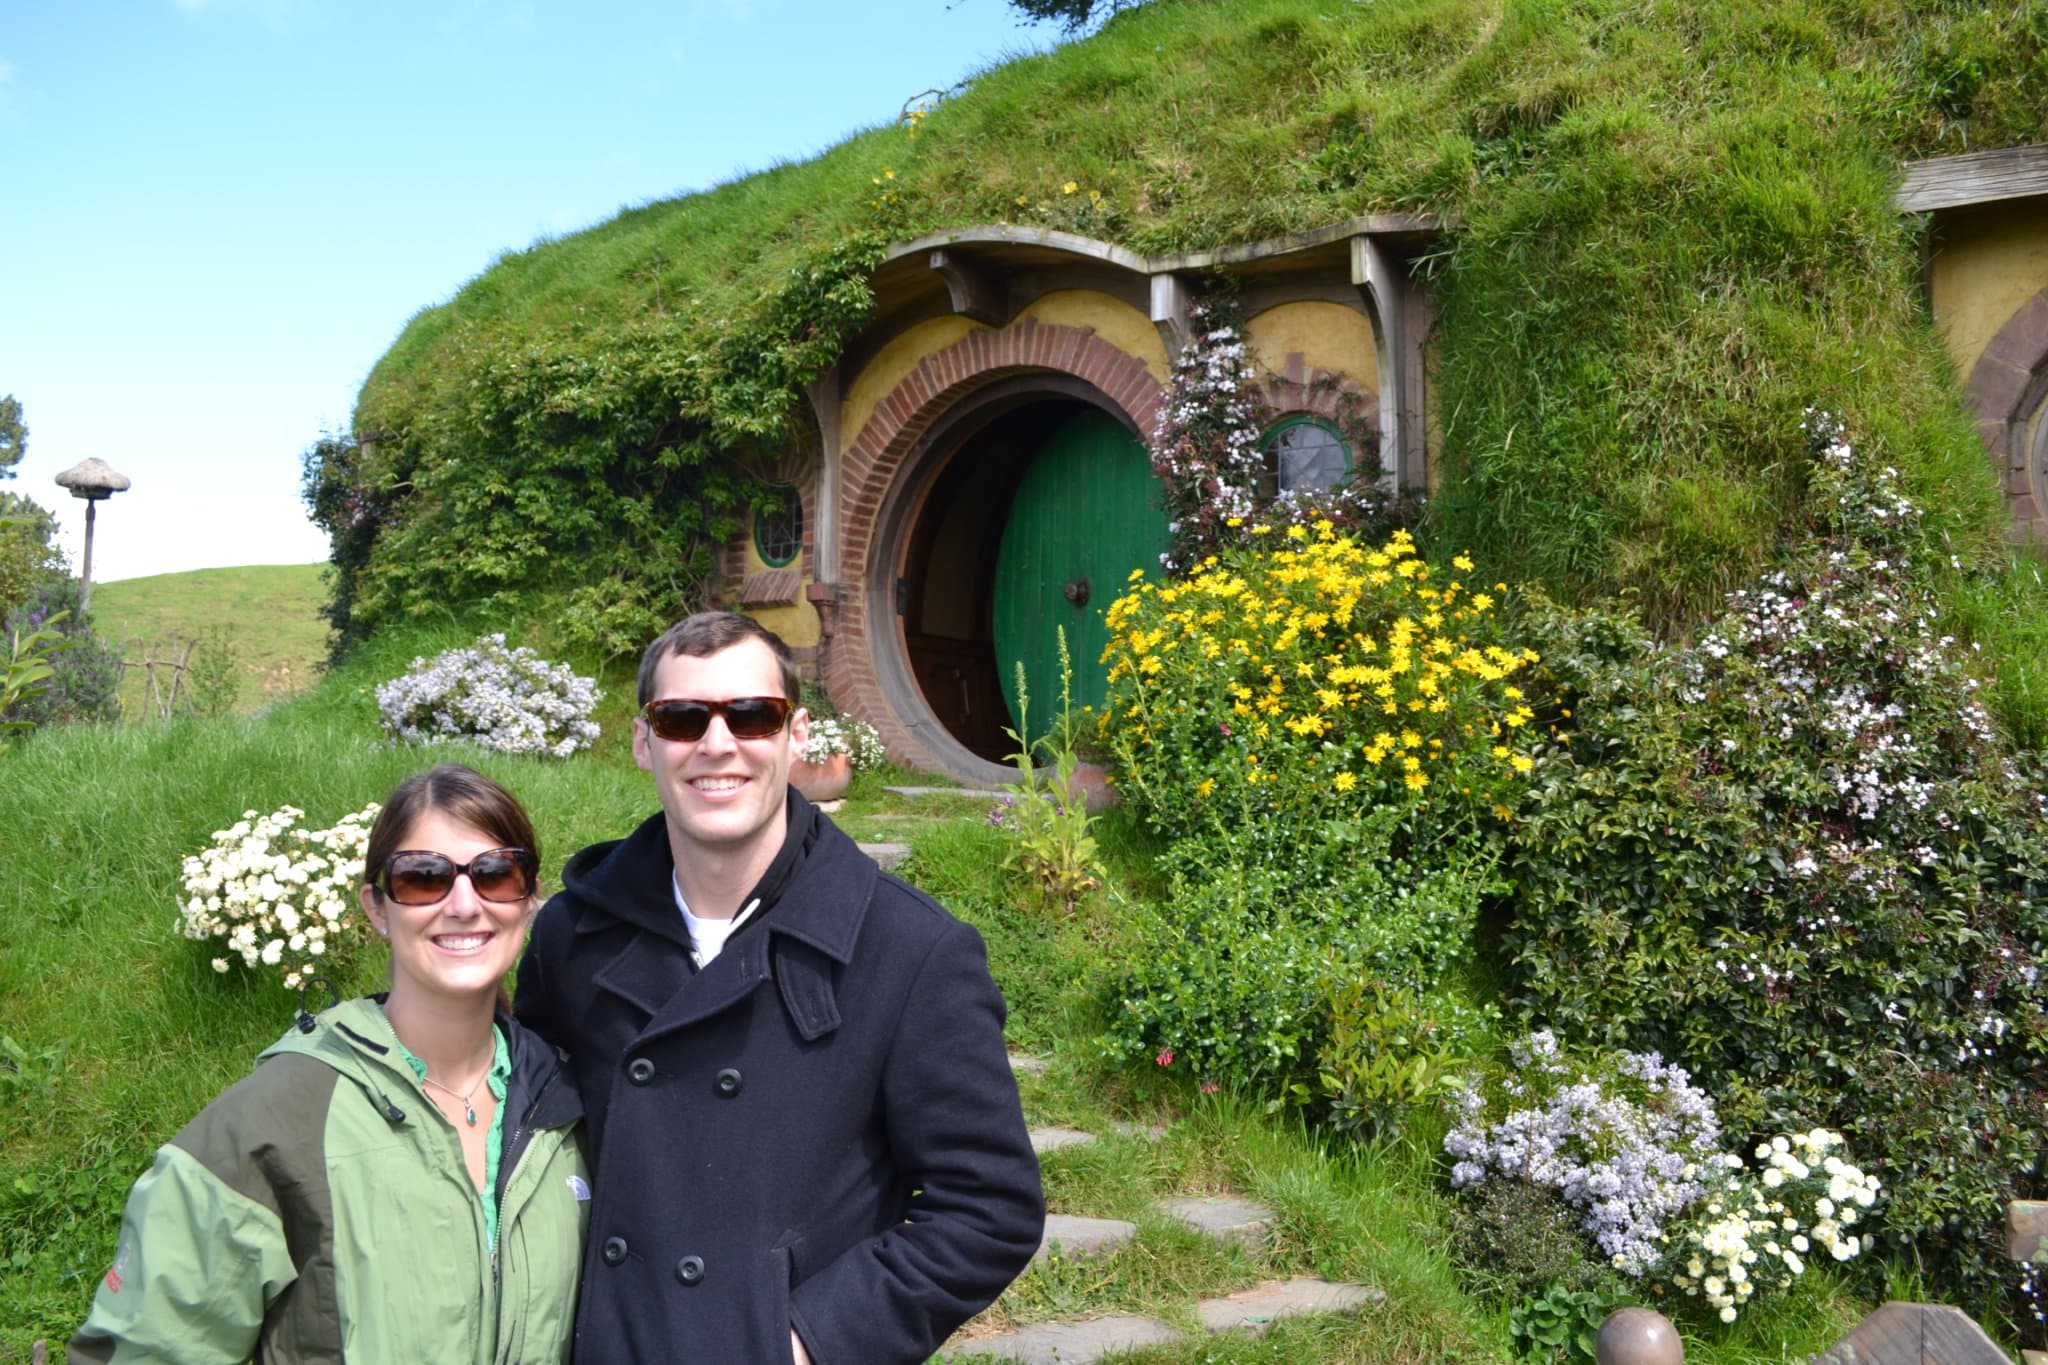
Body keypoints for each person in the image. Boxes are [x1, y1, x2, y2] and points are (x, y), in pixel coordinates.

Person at [517, 611, 1044, 1364]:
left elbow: (990, 1209)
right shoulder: (572, 937)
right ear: (644, 742)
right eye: (682, 717)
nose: (718, 743)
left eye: (752, 715)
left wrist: (805, 1338)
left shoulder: (910, 950)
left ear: (796, 736)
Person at [70, 764, 587, 1364]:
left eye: (496, 875)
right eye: (424, 878)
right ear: (376, 907)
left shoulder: (569, 1109)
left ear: (528, 901)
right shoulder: (273, 1122)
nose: (465, 905)